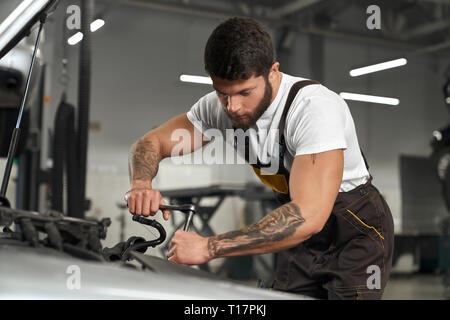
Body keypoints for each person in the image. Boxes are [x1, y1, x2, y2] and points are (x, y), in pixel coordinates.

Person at [125, 17, 394, 300]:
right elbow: (150, 142)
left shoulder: (314, 109)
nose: (233, 107)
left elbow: (309, 215)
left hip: (353, 228)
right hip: (299, 229)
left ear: (273, 72)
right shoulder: (219, 107)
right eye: (222, 93)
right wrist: (141, 182)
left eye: (245, 92)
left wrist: (210, 247)